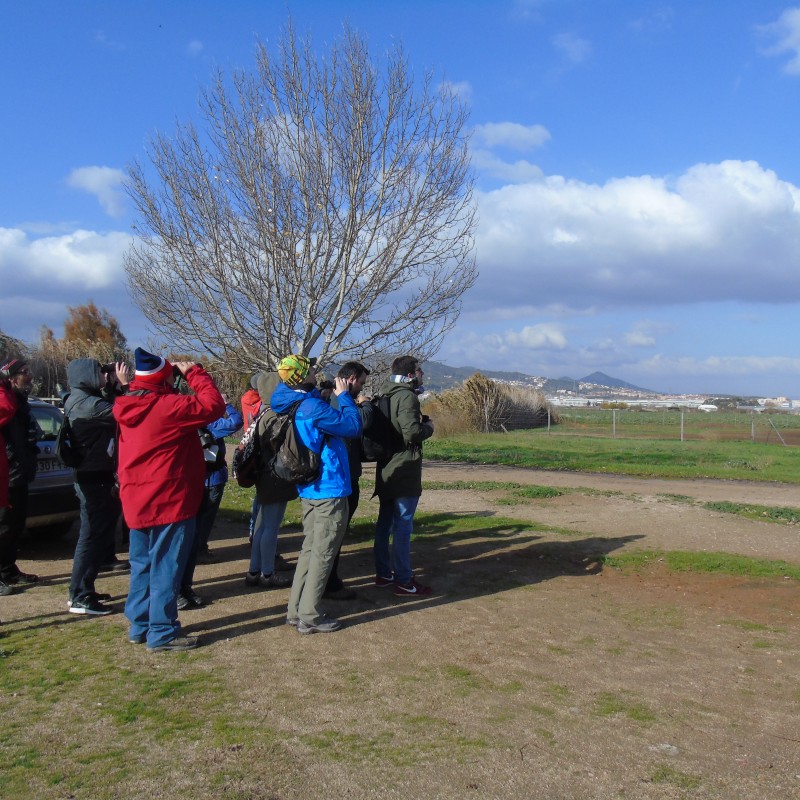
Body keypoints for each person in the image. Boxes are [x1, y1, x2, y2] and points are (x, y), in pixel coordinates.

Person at [114, 348, 224, 652]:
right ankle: (162, 631)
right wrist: (194, 373)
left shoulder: (127, 404)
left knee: (143, 565)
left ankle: (141, 624)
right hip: (169, 499)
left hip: (137, 498)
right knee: (166, 566)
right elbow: (213, 406)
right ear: (163, 381)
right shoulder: (167, 407)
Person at [270, 354, 361, 634]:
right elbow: (352, 427)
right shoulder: (312, 407)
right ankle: (310, 614)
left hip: (309, 488)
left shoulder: (289, 400)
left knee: (310, 549)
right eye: (309, 369)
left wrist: (319, 393)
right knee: (323, 553)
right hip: (328, 487)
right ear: (300, 375)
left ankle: (296, 610)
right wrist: (344, 397)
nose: (314, 371)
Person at [64, 358, 130, 615]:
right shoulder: (90, 406)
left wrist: (110, 384)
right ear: (88, 377)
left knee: (95, 536)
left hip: (91, 475)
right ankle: (80, 595)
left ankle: (83, 589)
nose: (106, 374)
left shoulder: (79, 398)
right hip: (95, 479)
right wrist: (124, 387)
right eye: (100, 372)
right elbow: (126, 413)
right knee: (91, 537)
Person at [374, 356, 434, 596]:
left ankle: (383, 573)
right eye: (420, 372)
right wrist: (429, 428)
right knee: (402, 526)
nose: (423, 376)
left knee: (384, 523)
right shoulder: (407, 396)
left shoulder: (385, 393)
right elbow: (411, 433)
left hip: (386, 466)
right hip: (404, 467)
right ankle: (404, 579)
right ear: (411, 374)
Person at [176, 394, 243, 610]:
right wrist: (226, 404)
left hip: (197, 478)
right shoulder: (208, 424)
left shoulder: (195, 422)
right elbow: (235, 422)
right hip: (205, 478)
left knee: (194, 528)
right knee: (199, 523)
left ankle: (185, 584)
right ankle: (198, 554)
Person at [323, 361, 373, 601]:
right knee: (335, 533)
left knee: (334, 533)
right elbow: (357, 427)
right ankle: (329, 583)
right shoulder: (339, 404)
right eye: (361, 383)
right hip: (343, 478)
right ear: (351, 379)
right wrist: (366, 407)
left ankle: (328, 581)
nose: (362, 388)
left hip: (344, 475)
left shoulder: (333, 402)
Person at [245, 371, 297, 590]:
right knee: (270, 527)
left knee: (260, 525)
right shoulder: (276, 414)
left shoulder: (261, 411)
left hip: (263, 475)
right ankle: (267, 572)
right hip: (275, 475)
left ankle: (254, 570)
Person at [0, 359, 38, 596]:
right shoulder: (6, 399)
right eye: (24, 373)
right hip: (8, 472)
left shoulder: (20, 401)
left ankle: (8, 569)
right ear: (11, 378)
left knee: (15, 525)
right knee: (3, 526)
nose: (30, 377)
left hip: (20, 471)